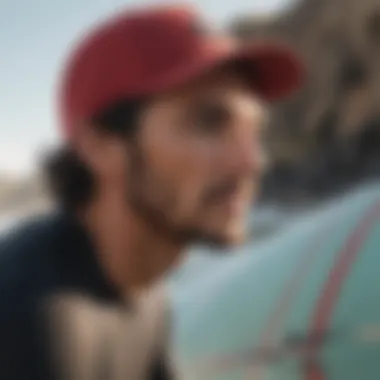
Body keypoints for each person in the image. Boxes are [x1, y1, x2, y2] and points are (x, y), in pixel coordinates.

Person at [0, 4, 302, 380]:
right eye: (209, 122)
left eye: (253, 130)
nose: (252, 162)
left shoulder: (144, 286)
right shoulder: (29, 321)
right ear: (100, 147)